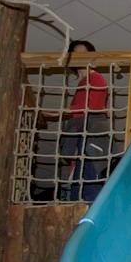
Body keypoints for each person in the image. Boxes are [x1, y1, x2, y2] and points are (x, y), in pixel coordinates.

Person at [44, 40, 111, 202]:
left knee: (89, 183)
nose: (80, 56)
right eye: (76, 54)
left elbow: (90, 106)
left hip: (91, 135)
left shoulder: (96, 78)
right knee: (78, 185)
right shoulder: (83, 82)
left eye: (84, 53)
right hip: (82, 135)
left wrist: (58, 112)